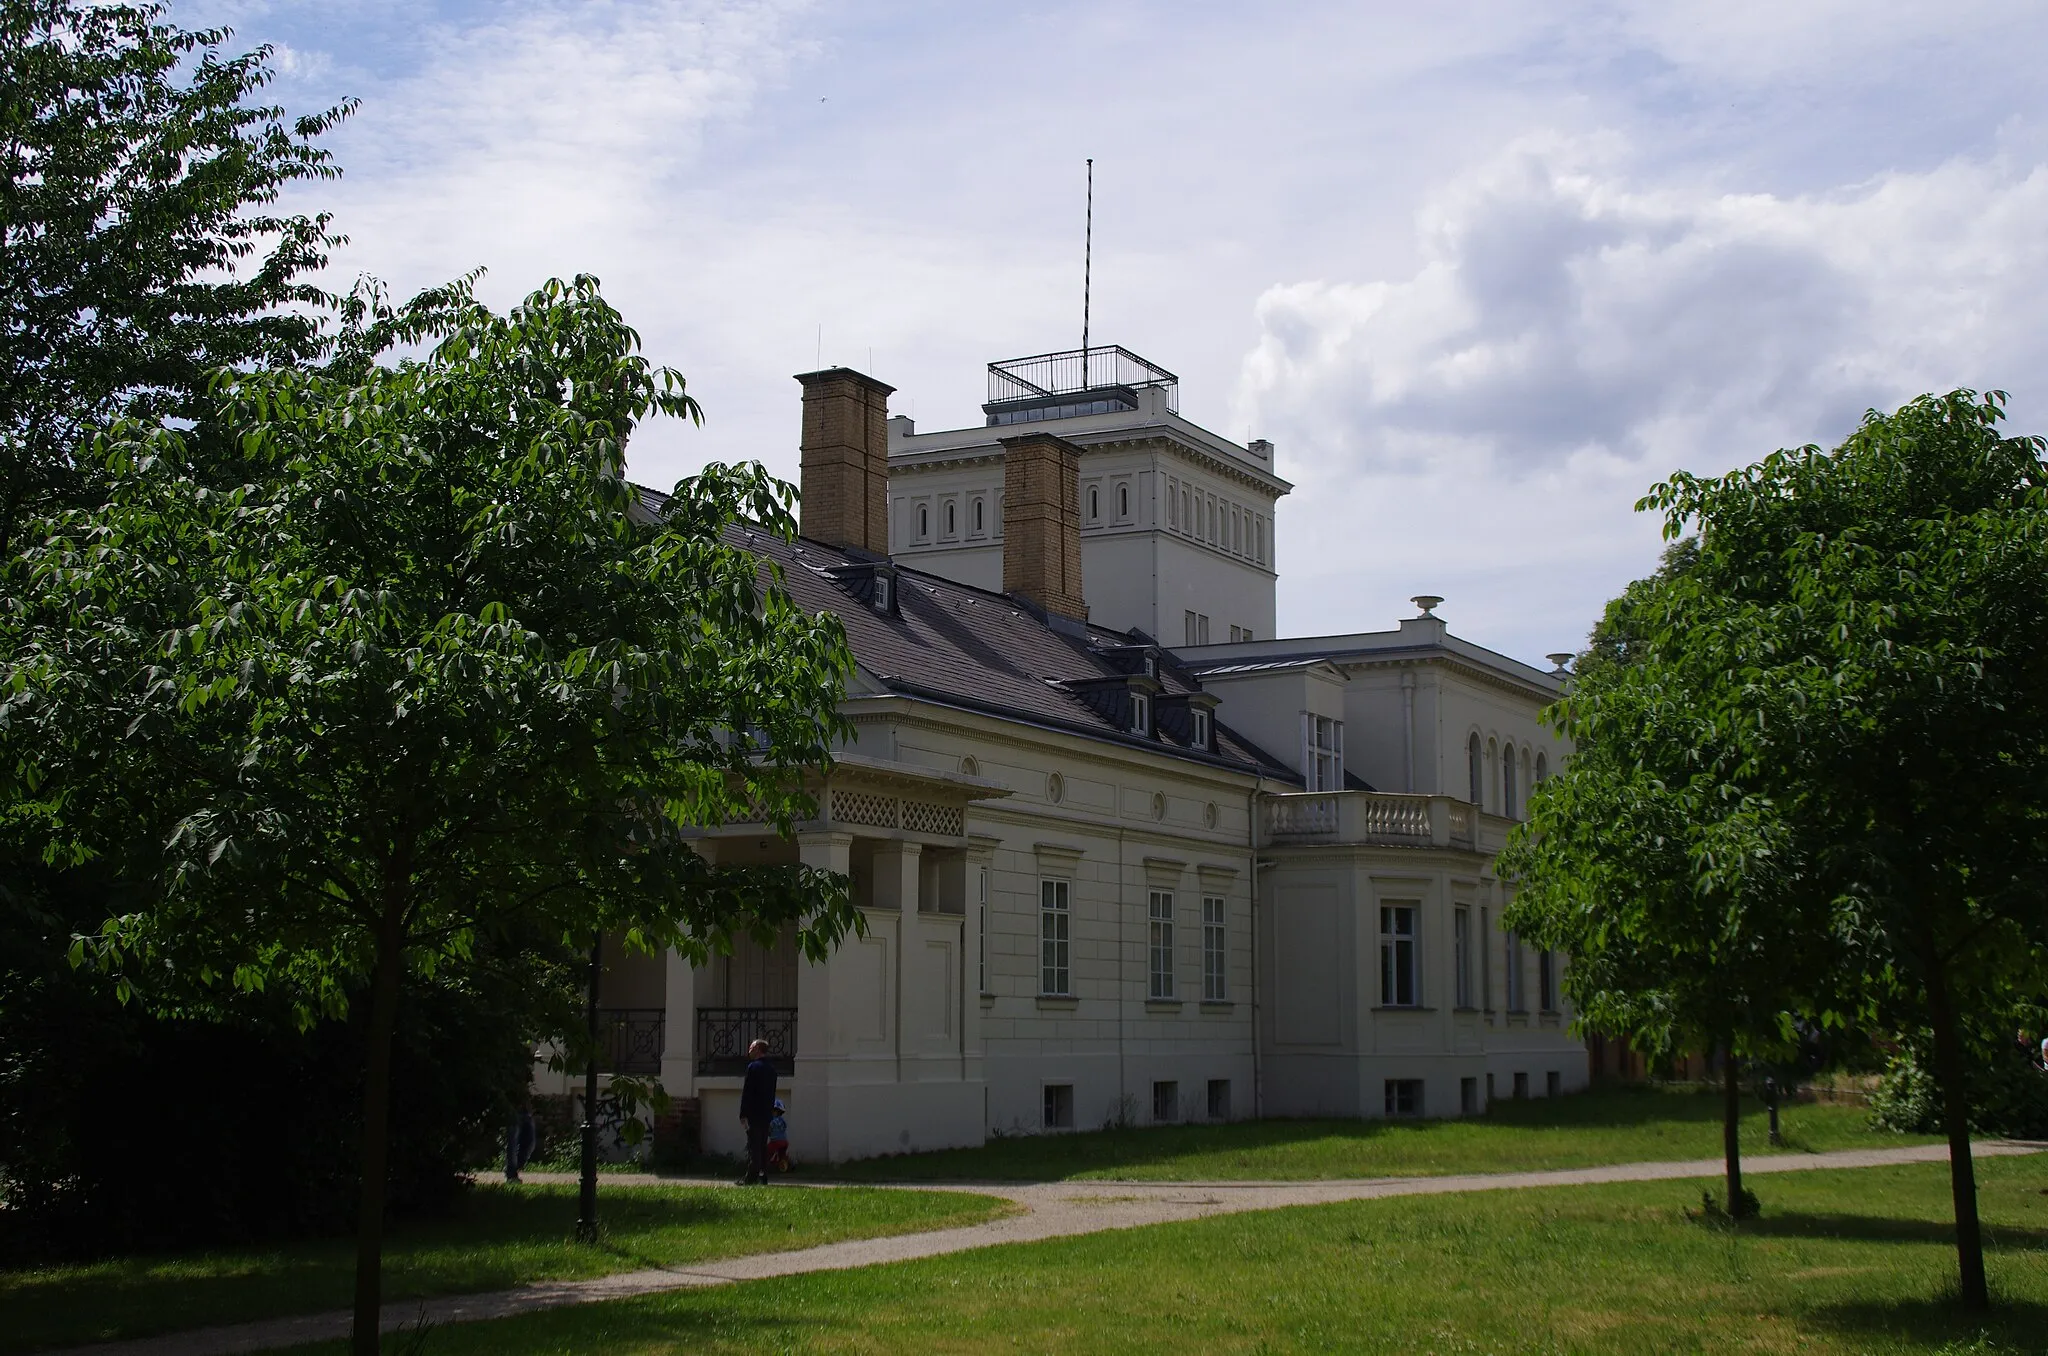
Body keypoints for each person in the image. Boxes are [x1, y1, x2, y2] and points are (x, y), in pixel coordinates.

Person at [738, 1038, 776, 1185]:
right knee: (762, 1145)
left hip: (753, 1113)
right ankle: (763, 1175)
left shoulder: (753, 1068)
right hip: (766, 1112)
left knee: (754, 1145)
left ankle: (751, 1177)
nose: (749, 1050)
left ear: (758, 1049)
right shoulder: (771, 1069)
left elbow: (748, 1092)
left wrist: (743, 1113)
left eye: (752, 1047)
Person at [505, 1096, 537, 1183]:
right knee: (513, 1143)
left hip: (525, 1111)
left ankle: (515, 1168)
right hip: (512, 1110)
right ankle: (511, 1174)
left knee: (530, 1143)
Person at [766, 1099, 791, 1173]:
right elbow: (784, 1128)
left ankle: (763, 1167)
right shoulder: (782, 1121)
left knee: (767, 1153)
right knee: (781, 1155)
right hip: (784, 1141)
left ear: (775, 1112)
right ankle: (785, 1165)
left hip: (775, 1141)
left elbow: (769, 1129)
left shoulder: (772, 1121)